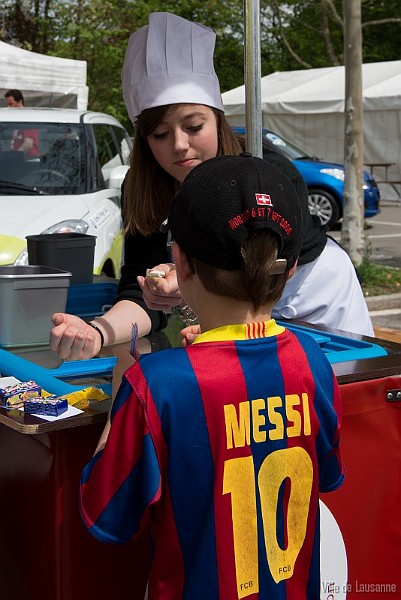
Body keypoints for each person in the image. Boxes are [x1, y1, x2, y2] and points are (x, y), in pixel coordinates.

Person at [79, 153, 345, 599]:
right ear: (292, 266)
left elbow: (106, 511)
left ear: (180, 263)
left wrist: (125, 381)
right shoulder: (312, 360)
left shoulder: (156, 384)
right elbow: (329, 474)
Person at [49, 11, 373, 364]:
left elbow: (267, 267)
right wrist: (95, 332)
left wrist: (191, 281)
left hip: (314, 306)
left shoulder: (268, 174)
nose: (179, 145)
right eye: (160, 134)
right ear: (144, 140)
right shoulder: (142, 190)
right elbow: (138, 292)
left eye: (193, 127)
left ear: (218, 121)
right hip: (232, 321)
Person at [4, 89, 39, 158]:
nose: (8, 107)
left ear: (20, 102)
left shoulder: (27, 119)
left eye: (11, 104)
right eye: (7, 105)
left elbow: (28, 143)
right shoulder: (14, 120)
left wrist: (15, 156)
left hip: (27, 159)